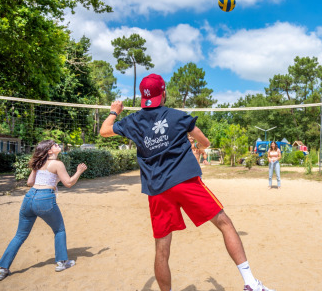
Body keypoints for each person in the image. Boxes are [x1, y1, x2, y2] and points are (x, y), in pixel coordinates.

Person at [100, 73, 274, 291]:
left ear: (143, 98)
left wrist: (113, 112)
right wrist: (199, 144)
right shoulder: (177, 116)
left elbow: (104, 130)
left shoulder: (133, 120)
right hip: (185, 181)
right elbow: (205, 141)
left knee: (162, 249)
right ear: (163, 93)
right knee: (225, 224)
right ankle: (250, 283)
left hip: (157, 190)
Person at [0, 140, 87, 281]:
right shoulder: (57, 164)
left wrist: (37, 170)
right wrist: (79, 171)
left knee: (19, 235)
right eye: (55, 145)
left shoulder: (39, 164)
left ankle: (2, 269)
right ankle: (62, 262)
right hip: (44, 199)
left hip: (29, 198)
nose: (58, 145)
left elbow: (30, 183)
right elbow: (68, 183)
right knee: (59, 230)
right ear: (49, 151)